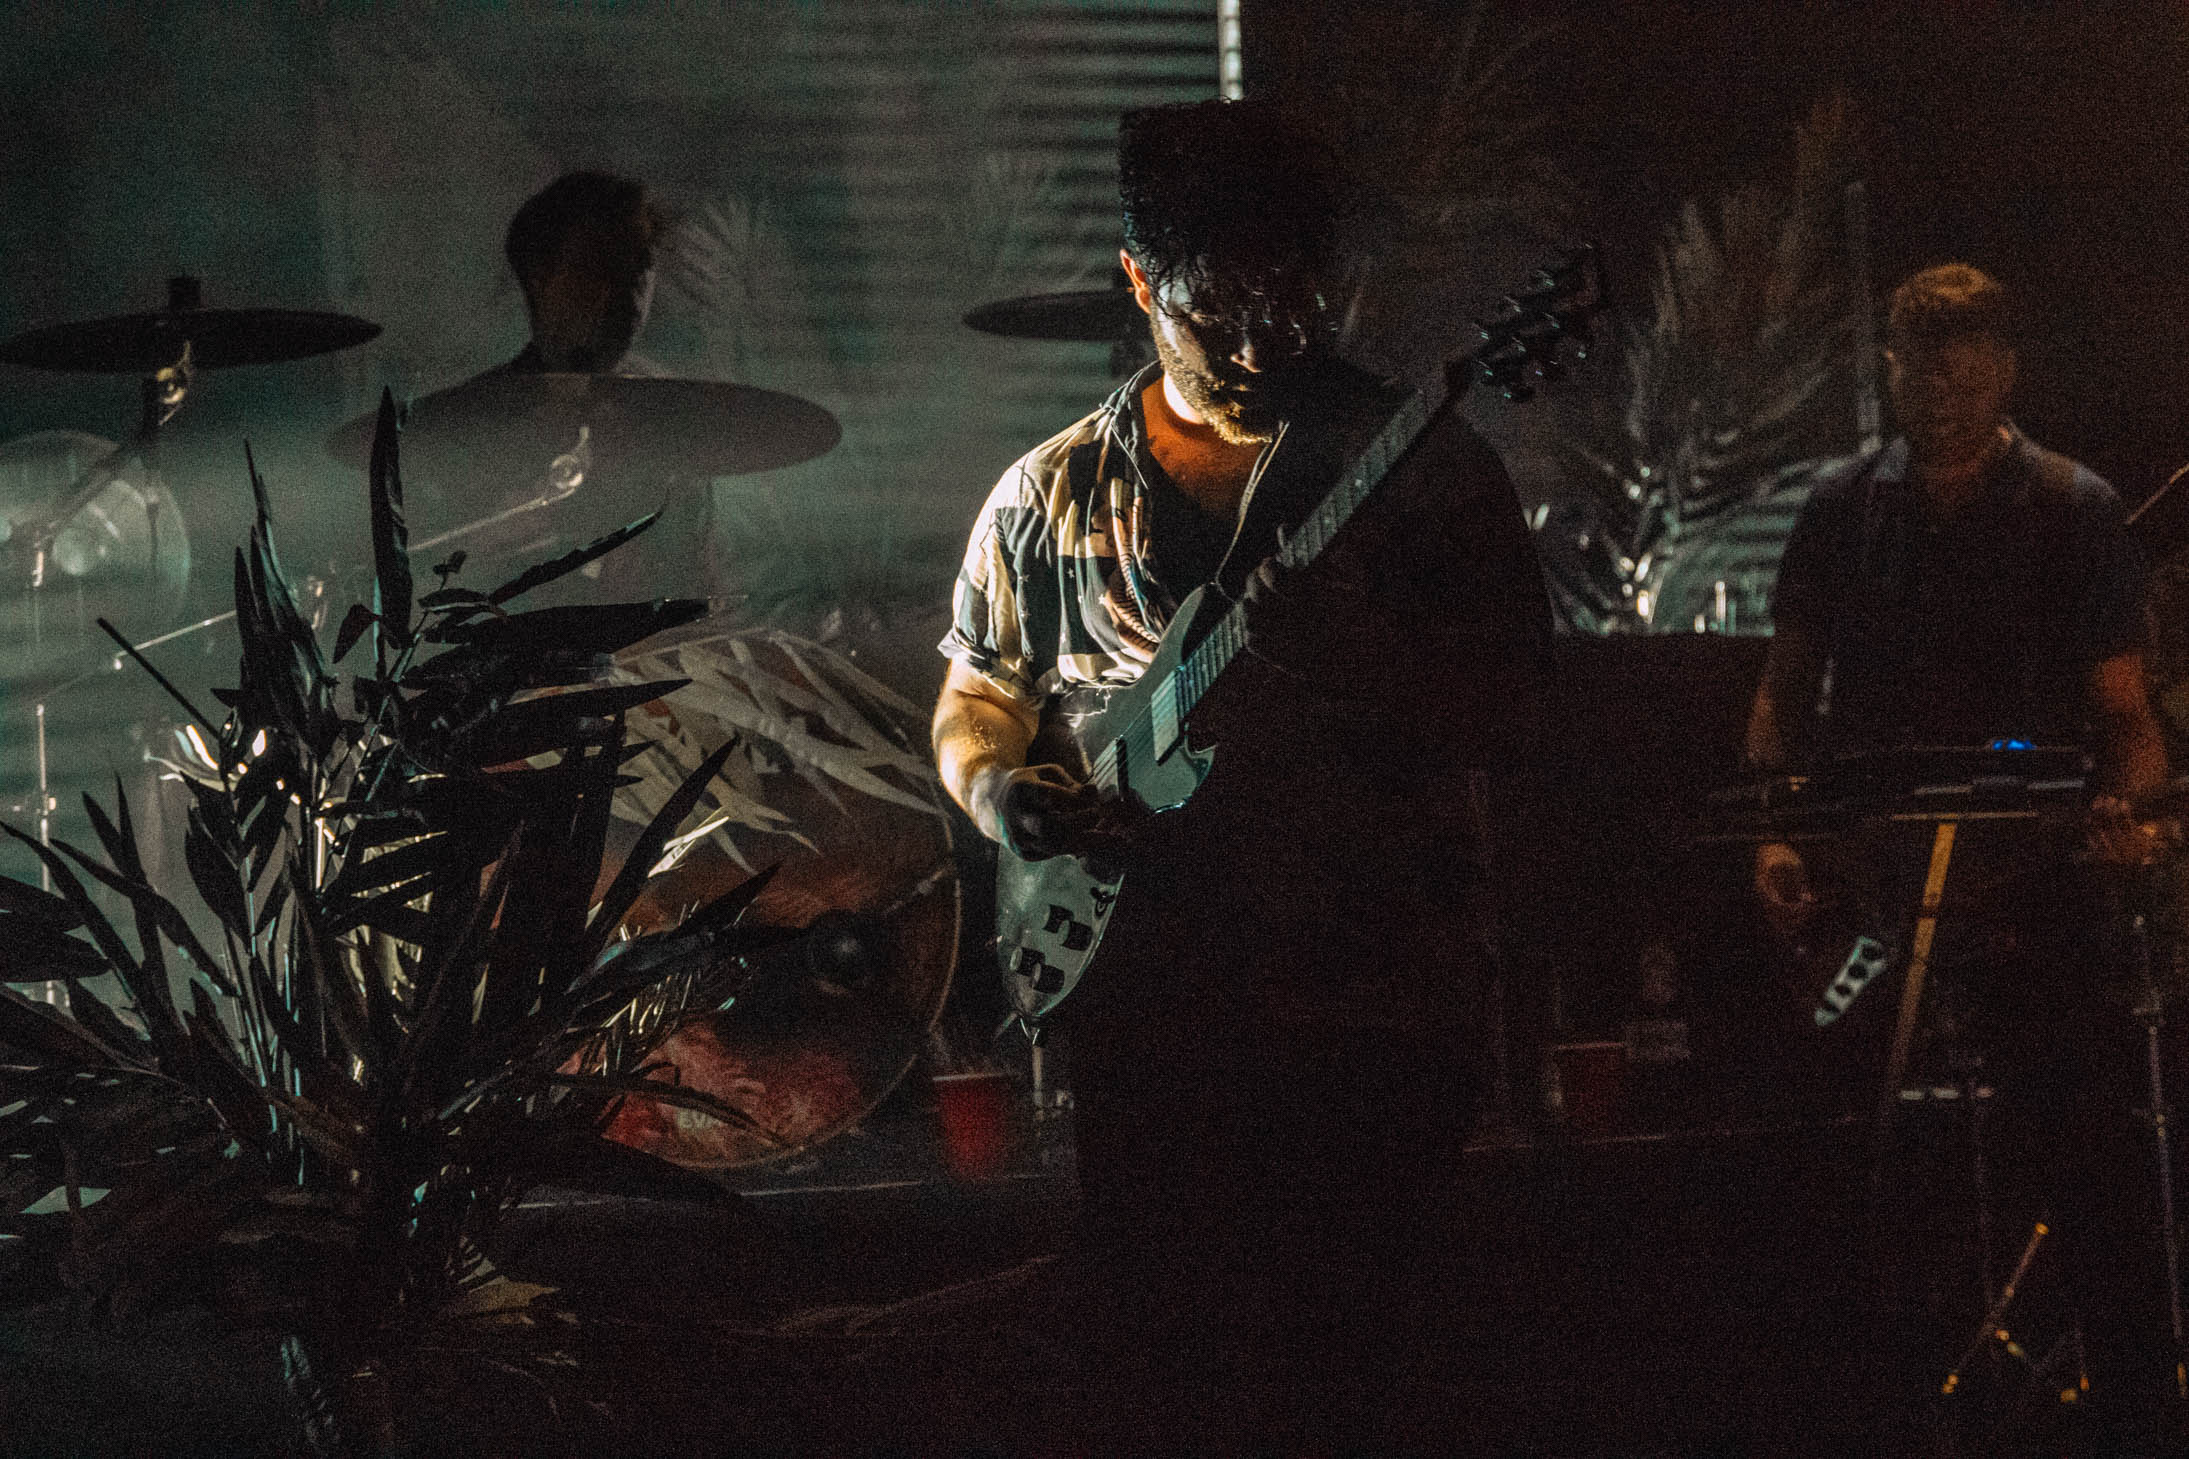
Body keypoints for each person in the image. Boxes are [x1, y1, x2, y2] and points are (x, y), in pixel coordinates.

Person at [931, 99, 1555, 1441]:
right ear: (1139, 283)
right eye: (1218, 314)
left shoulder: (1419, 469)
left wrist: (1361, 661)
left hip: (1366, 1005)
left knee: (1349, 1366)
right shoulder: (1046, 493)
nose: (1263, 344)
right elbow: (978, 697)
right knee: (1163, 1360)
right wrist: (1000, 791)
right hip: (1145, 1009)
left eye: (1290, 304)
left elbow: (1521, 713)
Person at [1745, 262, 2175, 1442]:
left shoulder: (2071, 507)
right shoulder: (1838, 510)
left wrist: (2124, 814)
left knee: (2089, 1154)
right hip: (1873, 892)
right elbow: (1780, 694)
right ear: (1890, 374)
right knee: (1838, 1149)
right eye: (1920, 376)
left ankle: (2133, 1410)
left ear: (2005, 374)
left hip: (2031, 892)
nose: (1940, 397)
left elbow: (2124, 719)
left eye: (1965, 375)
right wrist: (1774, 832)